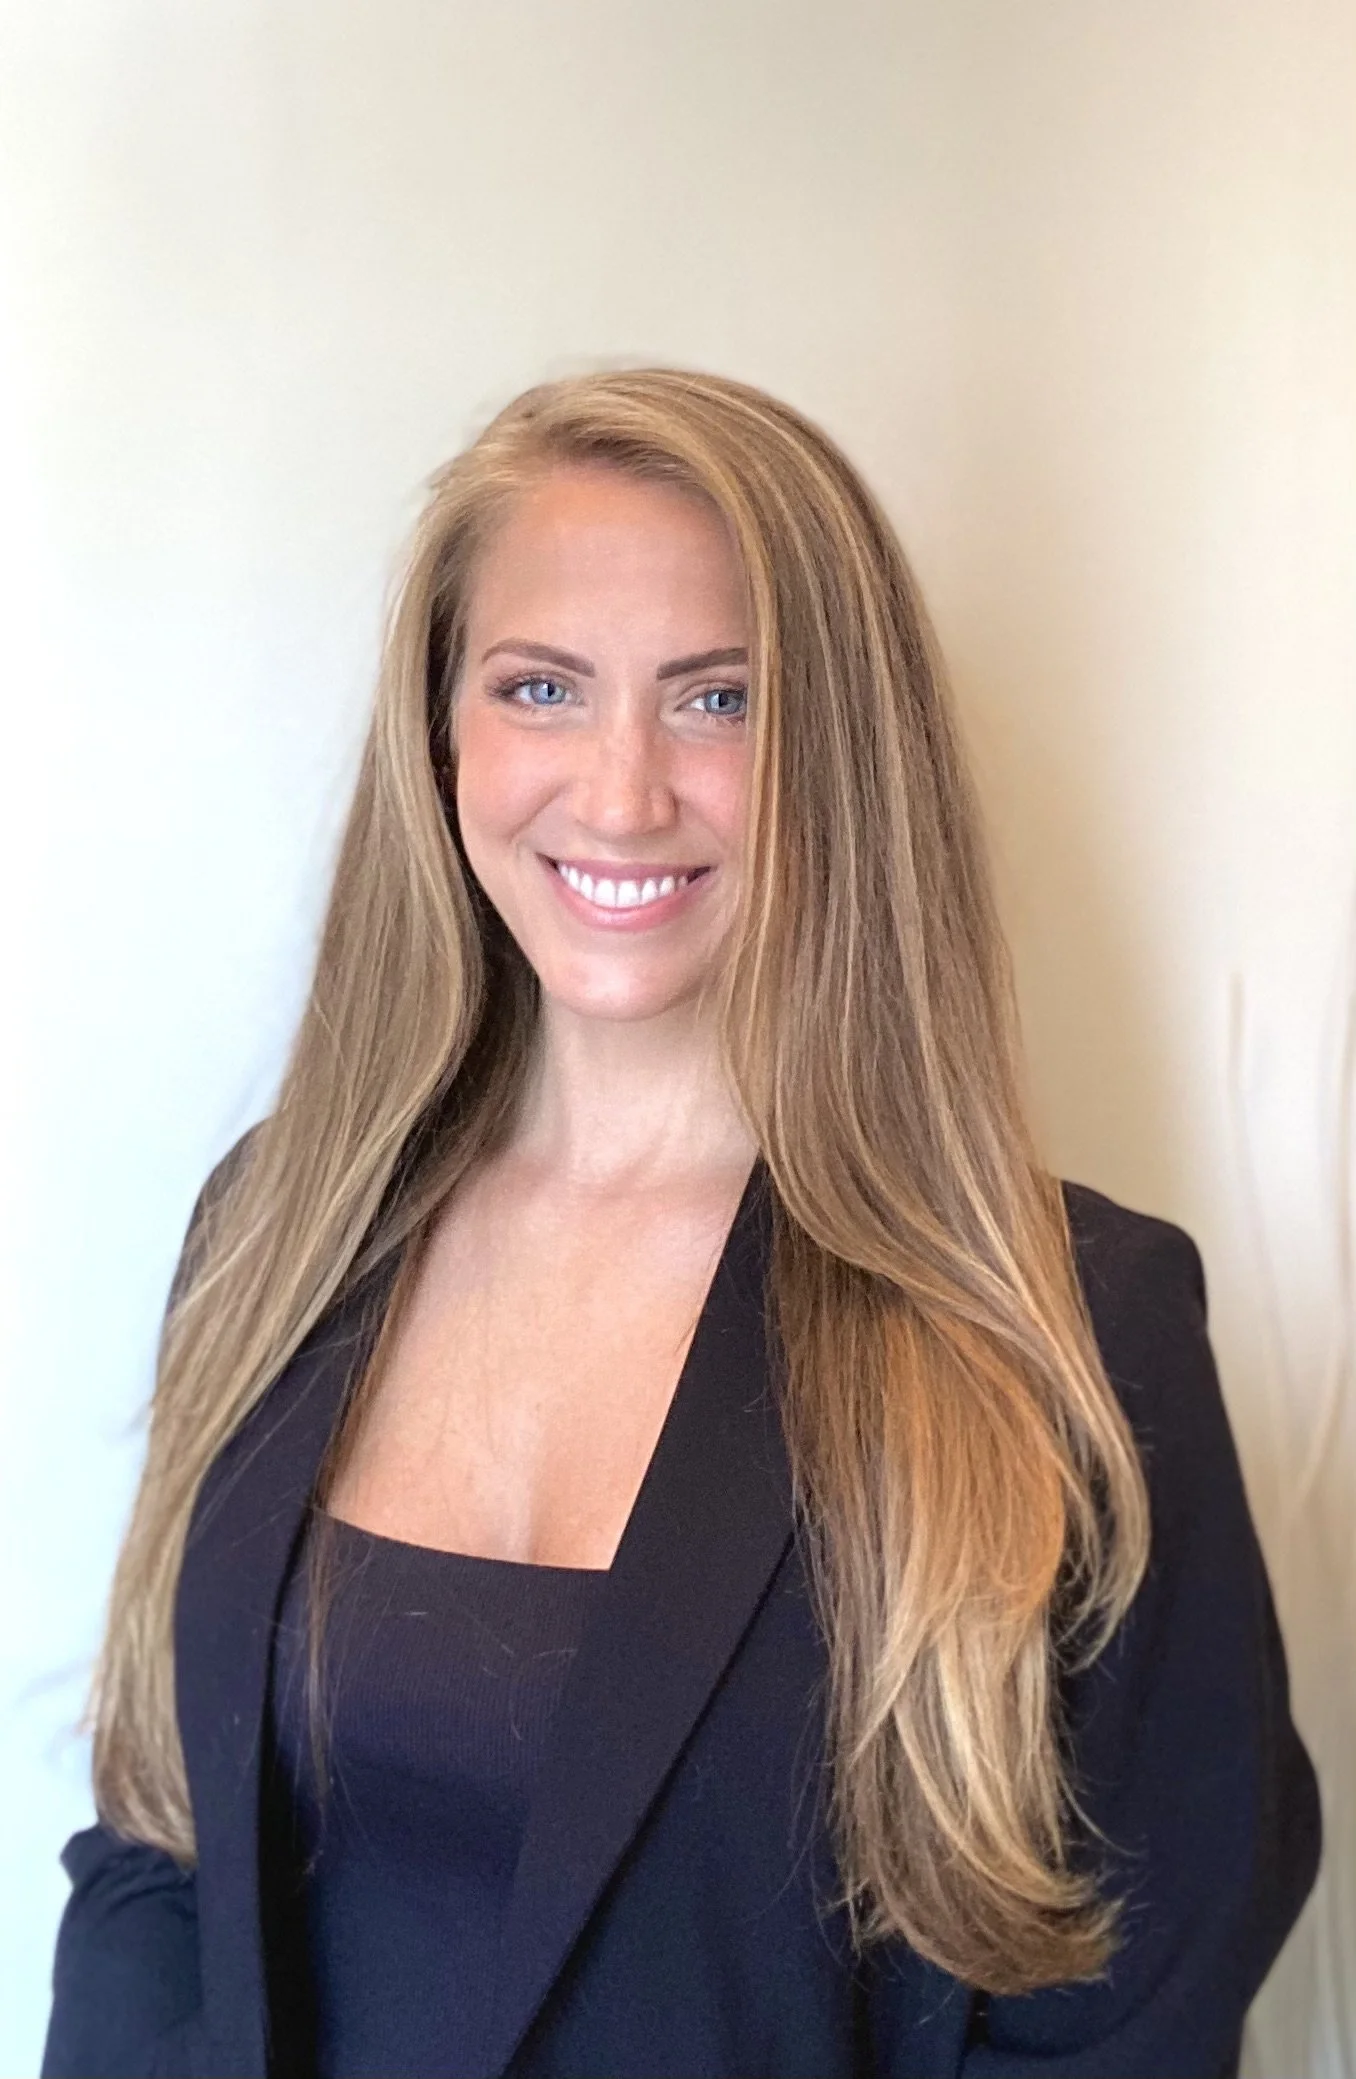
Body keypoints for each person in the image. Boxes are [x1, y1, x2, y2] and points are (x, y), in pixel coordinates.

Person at [42, 367, 1320, 2079]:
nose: (623, 790)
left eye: (718, 699)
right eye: (543, 687)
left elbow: (1125, 2024)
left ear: (843, 755)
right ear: (445, 737)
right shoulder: (280, 1228)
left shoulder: (1066, 1322)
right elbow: (159, 1848)